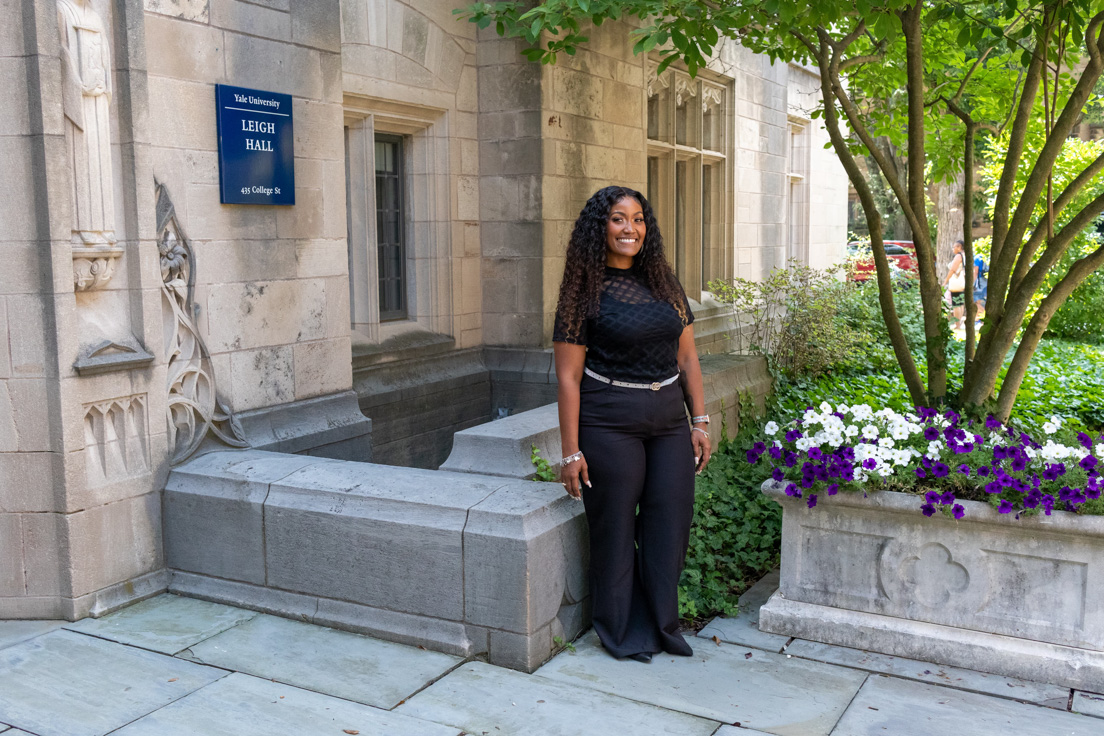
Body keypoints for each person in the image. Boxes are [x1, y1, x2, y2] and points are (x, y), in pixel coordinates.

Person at [553, 185, 711, 664]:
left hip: (667, 421)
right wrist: (571, 451)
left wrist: (699, 419)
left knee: (670, 522)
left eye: (638, 219)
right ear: (601, 227)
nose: (631, 229)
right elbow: (567, 375)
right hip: (609, 420)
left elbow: (687, 355)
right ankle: (621, 631)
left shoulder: (662, 280)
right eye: (619, 219)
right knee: (615, 528)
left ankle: (662, 627)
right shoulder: (583, 288)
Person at [943, 239, 967, 329]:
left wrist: (946, 281)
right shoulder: (965, 255)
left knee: (956, 304)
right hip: (962, 281)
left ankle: (957, 325)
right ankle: (959, 323)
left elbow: (952, 270)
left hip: (956, 282)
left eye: (954, 247)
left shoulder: (958, 256)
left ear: (959, 247)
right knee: (960, 303)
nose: (953, 249)